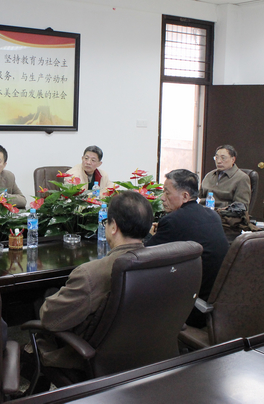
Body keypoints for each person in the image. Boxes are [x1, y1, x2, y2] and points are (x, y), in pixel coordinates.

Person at [38, 191, 153, 369]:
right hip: (145, 356)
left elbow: (50, 319)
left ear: (113, 227)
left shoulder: (90, 274)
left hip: (92, 362)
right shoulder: (160, 262)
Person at [144, 169, 229, 328]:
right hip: (217, 304)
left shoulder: (173, 221)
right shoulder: (213, 215)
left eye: (167, 193)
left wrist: (149, 235)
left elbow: (143, 257)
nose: (162, 198)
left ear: (185, 196)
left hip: (193, 308)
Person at [198, 145, 251, 210]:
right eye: (216, 158)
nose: (219, 161)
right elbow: (199, 198)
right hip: (204, 211)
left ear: (233, 159)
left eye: (223, 158)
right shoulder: (209, 175)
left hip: (223, 214)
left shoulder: (242, 178)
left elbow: (240, 207)